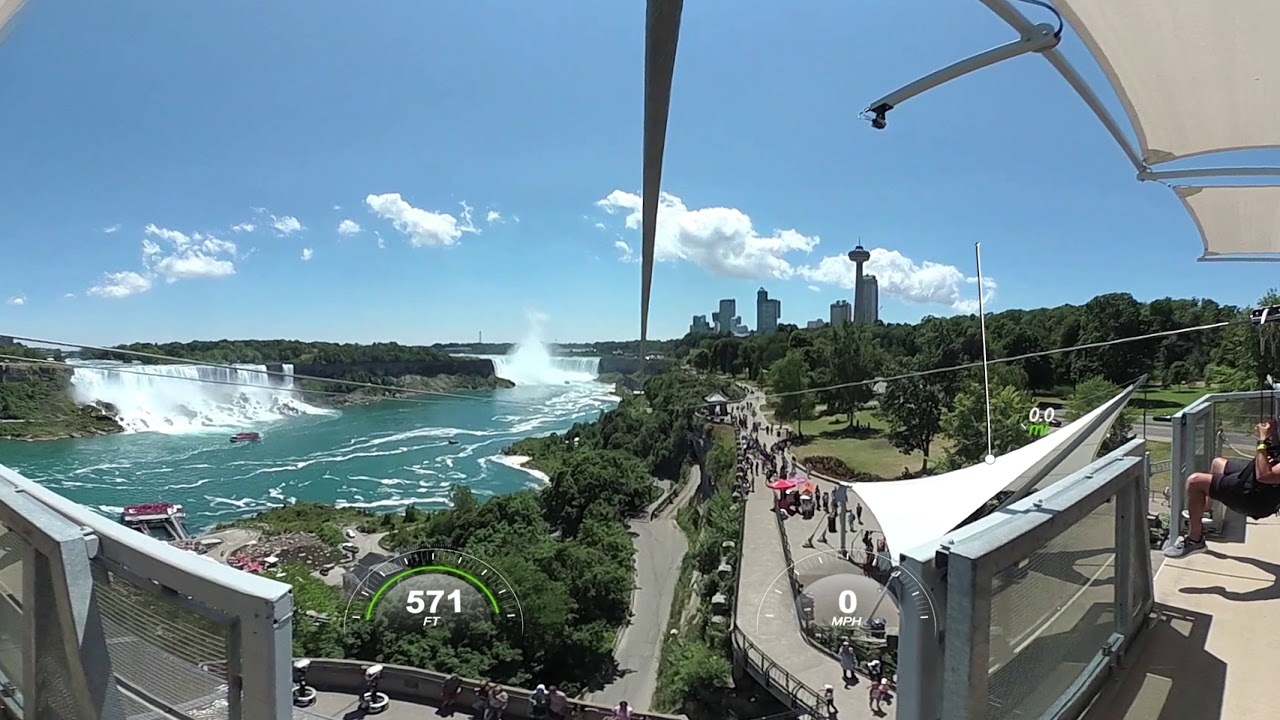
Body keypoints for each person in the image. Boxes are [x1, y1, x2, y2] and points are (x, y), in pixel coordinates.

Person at [1166, 419, 1280, 558]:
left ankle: (1195, 539)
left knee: (1195, 482)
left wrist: (1262, 441)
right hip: (1255, 481)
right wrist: (1272, 433)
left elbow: (1265, 476)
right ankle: (1205, 512)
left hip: (1255, 498)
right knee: (1217, 464)